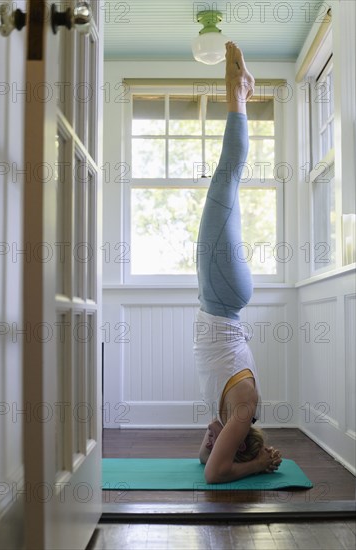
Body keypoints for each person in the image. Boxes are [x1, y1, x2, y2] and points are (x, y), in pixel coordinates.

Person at [193, 42, 282, 484]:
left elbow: (203, 458)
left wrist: (215, 436)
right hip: (222, 296)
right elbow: (213, 475)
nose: (213, 437)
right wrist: (260, 466)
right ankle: (239, 94)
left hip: (222, 296)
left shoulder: (232, 412)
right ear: (240, 434)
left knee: (227, 190)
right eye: (224, 436)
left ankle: (239, 93)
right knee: (226, 177)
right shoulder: (242, 409)